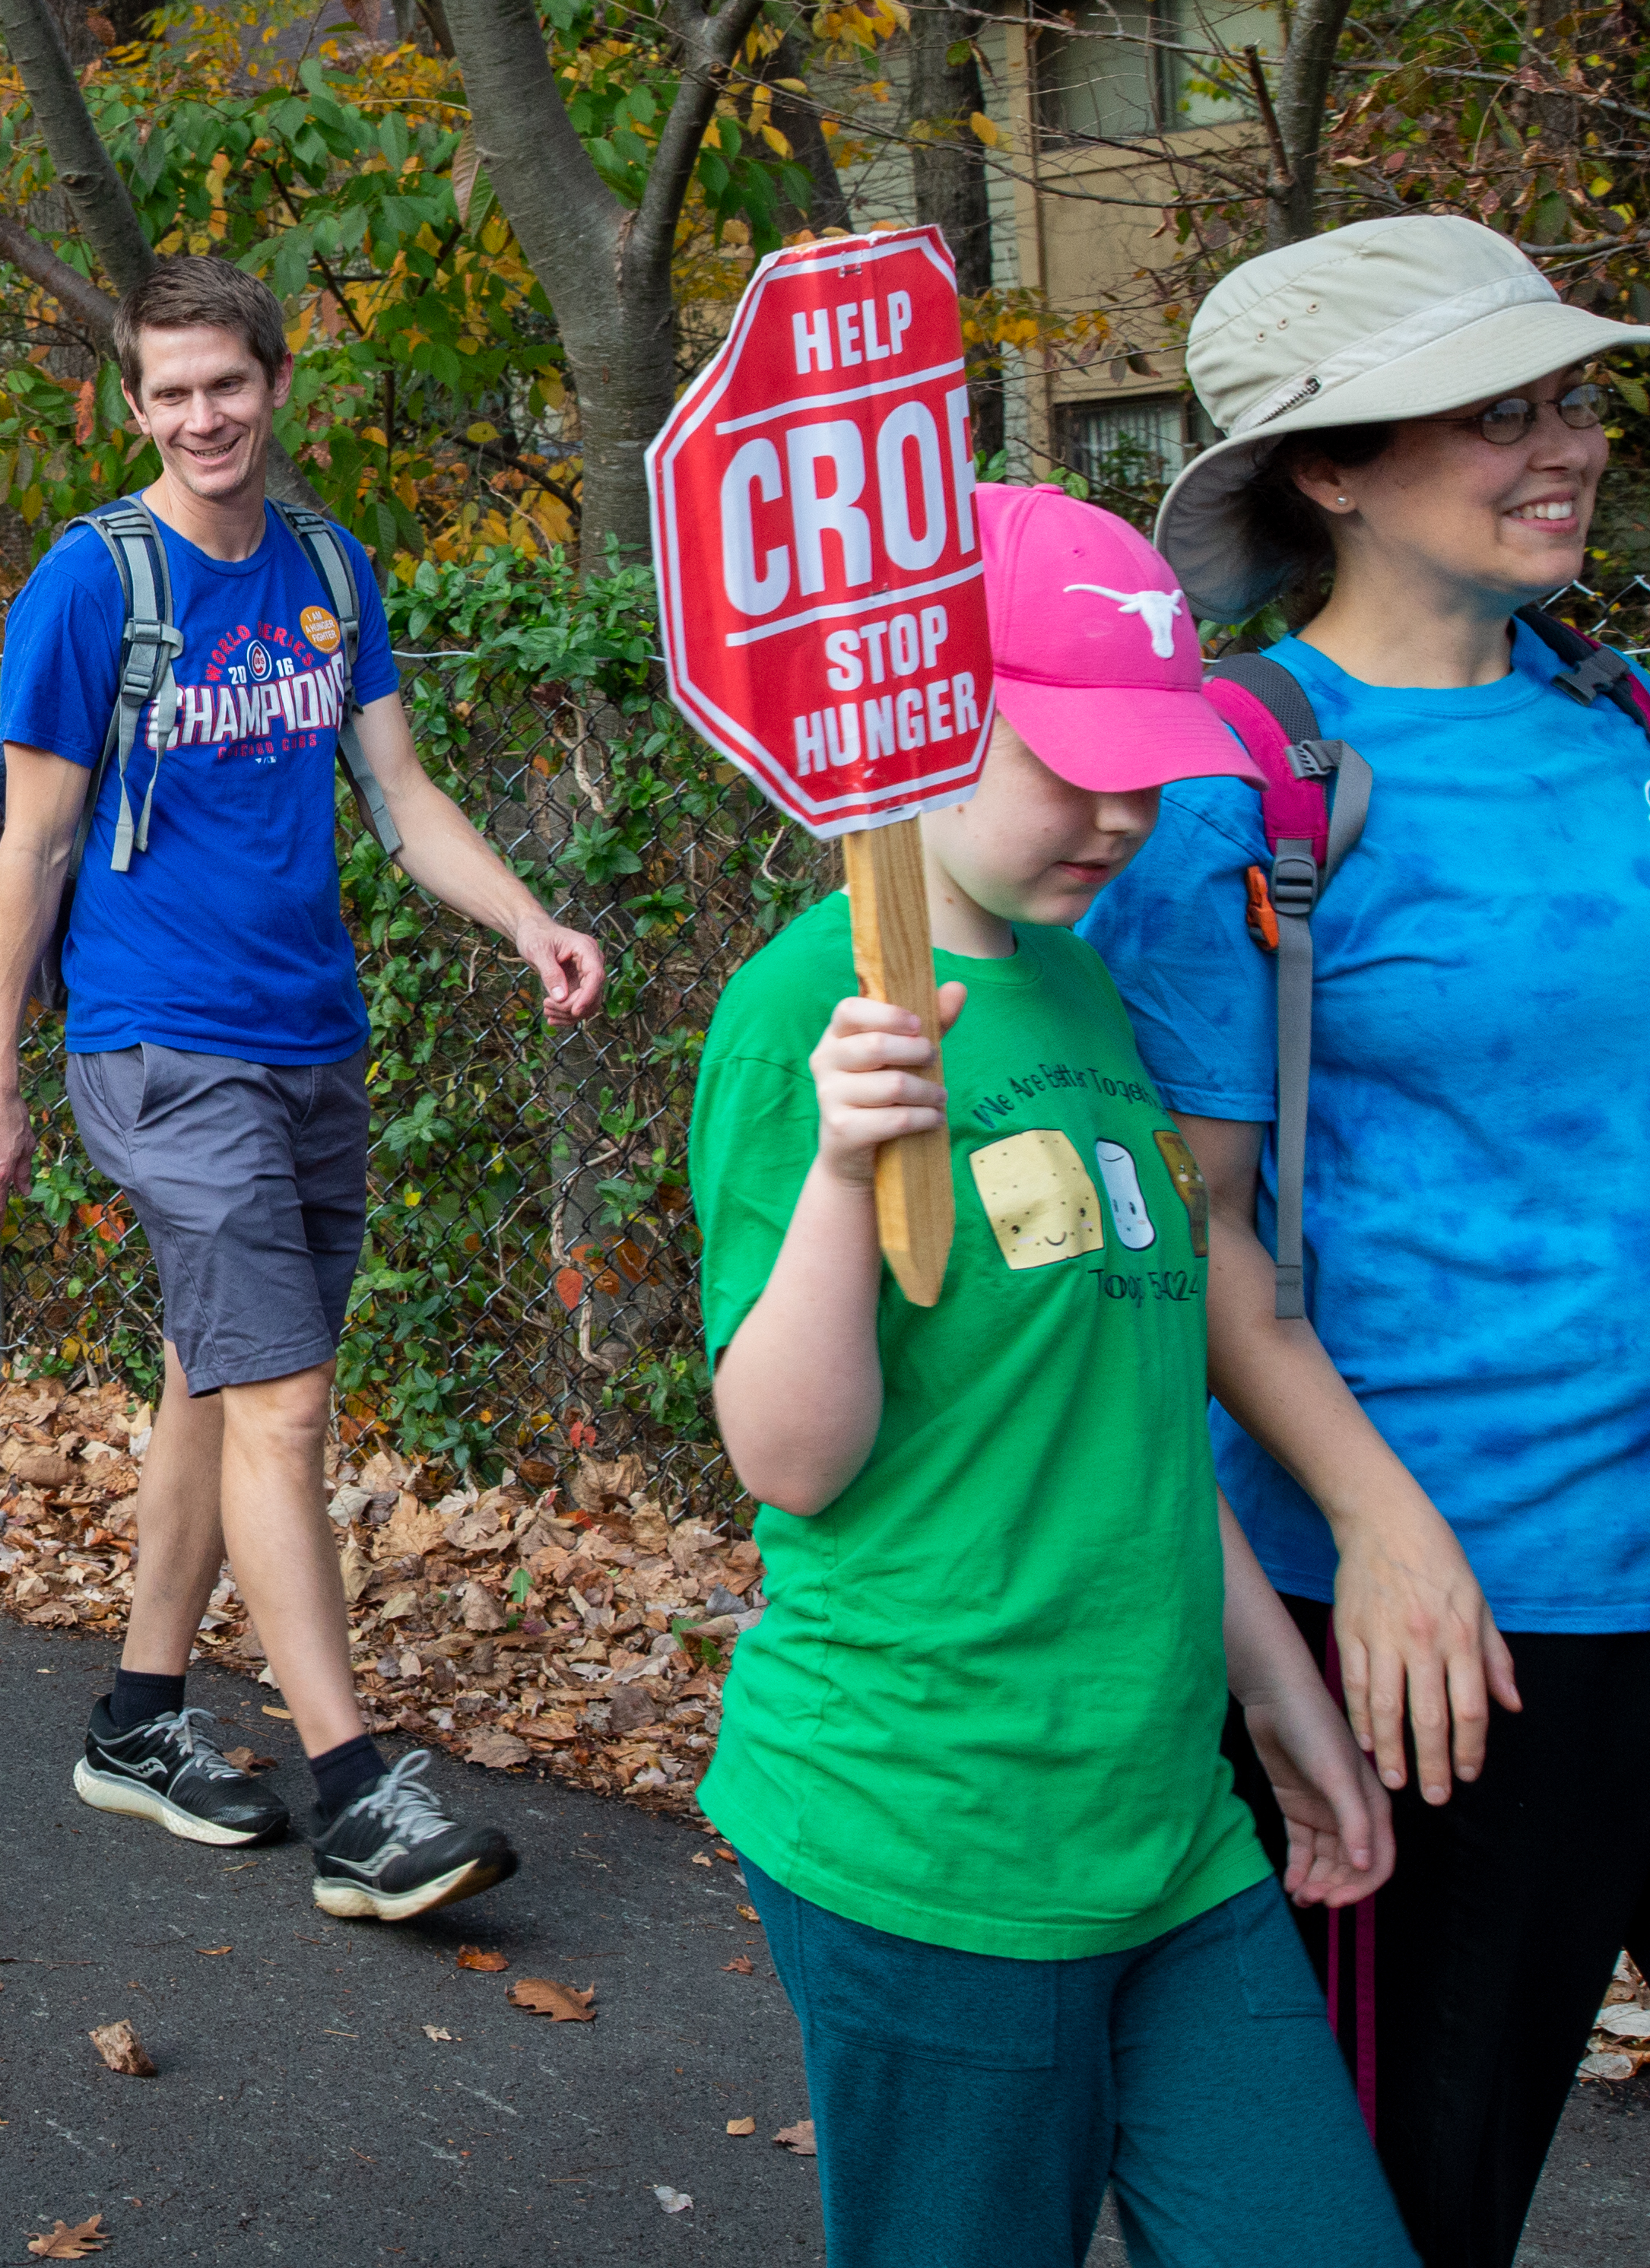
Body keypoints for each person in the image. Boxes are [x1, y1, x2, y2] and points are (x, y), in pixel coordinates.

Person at [690, 483, 1410, 2264]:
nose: (1115, 811)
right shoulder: (808, 1006)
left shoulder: (1077, 990)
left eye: (1143, 764)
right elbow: (784, 1455)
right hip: (933, 1825)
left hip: (1164, 1824)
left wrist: (1273, 1695)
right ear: (926, 707)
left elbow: (1126, 1415)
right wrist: (850, 1174)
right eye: (1066, 757)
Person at [1078, 215, 1650, 2268]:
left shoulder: (1629, 729)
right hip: (1433, 1616)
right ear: (1329, 467)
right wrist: (1387, 1531)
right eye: (1493, 413)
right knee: (1404, 2208)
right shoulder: (1246, 787)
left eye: (1568, 396)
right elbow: (1201, 1235)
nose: (1562, 443)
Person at [0, 254, 605, 1924]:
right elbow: (29, 846)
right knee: (290, 1403)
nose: (200, 416)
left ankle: (141, 1721)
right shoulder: (90, 584)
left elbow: (398, 788)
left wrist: (526, 916)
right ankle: (356, 1787)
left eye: (223, 384)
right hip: (162, 1048)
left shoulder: (326, 566)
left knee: (212, 1381)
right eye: (167, 393)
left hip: (314, 1036)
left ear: (273, 383)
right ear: (136, 404)